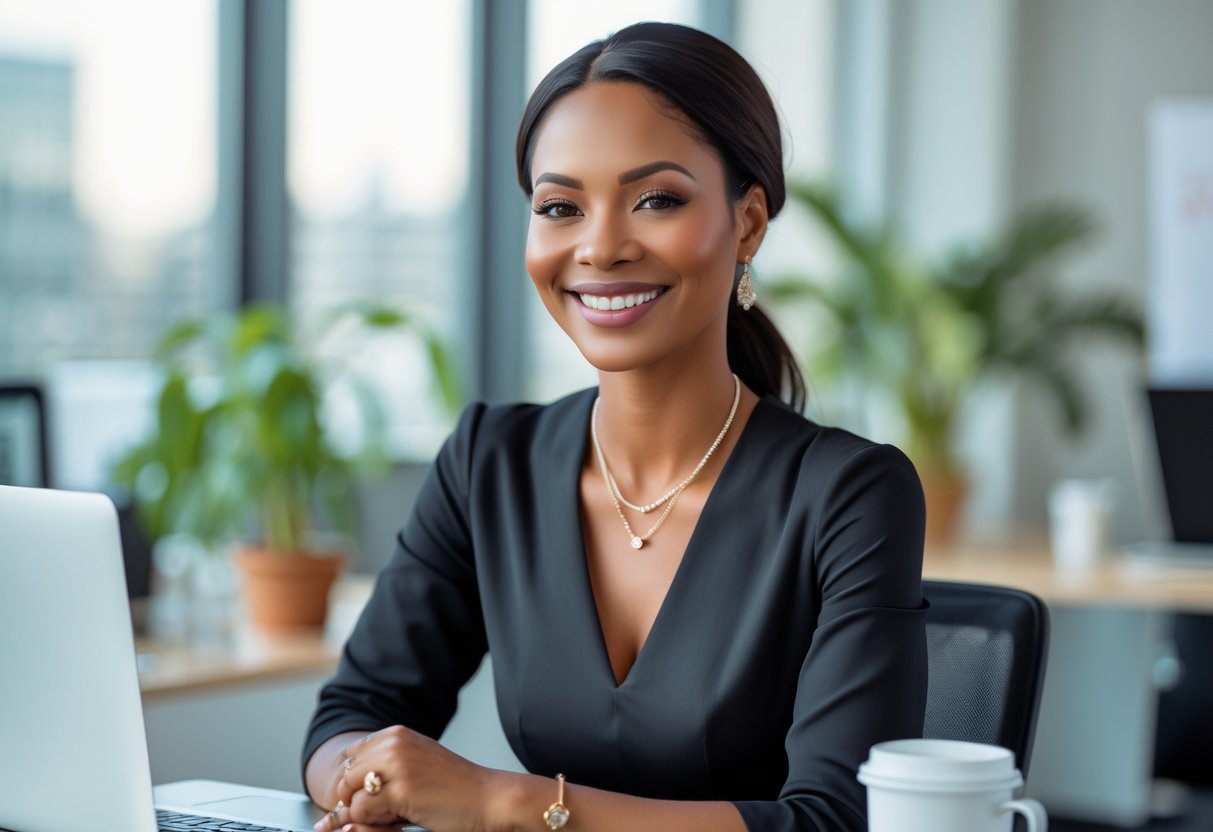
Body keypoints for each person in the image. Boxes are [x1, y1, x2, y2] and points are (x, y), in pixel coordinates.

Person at [304, 21, 927, 832]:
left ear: (747, 223)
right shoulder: (488, 463)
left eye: (655, 199)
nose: (599, 247)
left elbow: (835, 820)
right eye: (560, 206)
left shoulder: (848, 494)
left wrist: (505, 802)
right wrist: (369, 780)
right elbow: (347, 717)